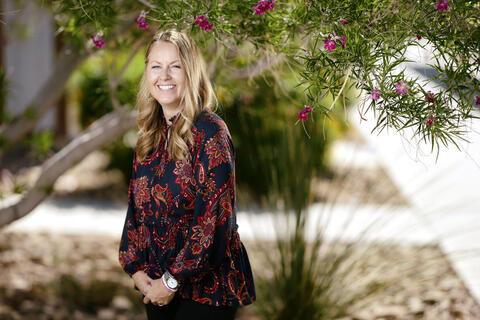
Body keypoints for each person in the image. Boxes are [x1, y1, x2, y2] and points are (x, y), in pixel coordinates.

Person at [118, 29, 256, 320]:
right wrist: (136, 269)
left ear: (190, 72)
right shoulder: (149, 134)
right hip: (154, 288)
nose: (164, 76)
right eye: (156, 66)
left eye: (175, 66)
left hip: (205, 294)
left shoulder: (211, 133)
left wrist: (172, 281)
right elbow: (136, 210)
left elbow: (214, 223)